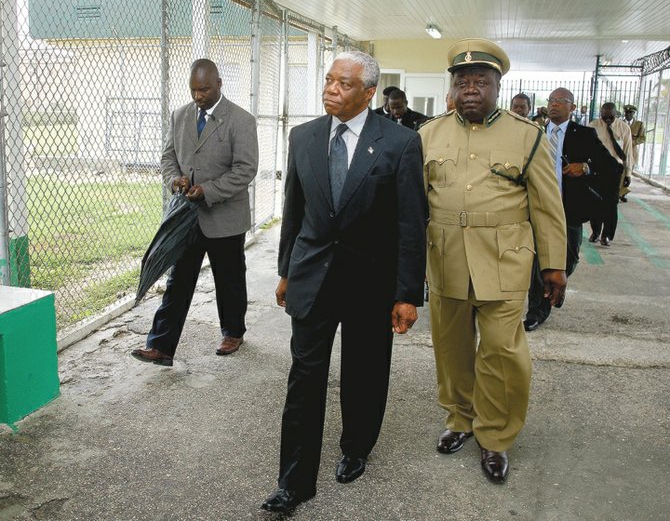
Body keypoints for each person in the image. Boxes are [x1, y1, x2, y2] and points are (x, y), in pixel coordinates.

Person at [261, 51, 426, 513]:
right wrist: (287, 272)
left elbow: (412, 224)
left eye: (344, 83)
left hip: (370, 283)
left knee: (364, 372)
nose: (331, 89)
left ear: (369, 93)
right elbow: (295, 209)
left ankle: (355, 447)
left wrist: (407, 294)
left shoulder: (399, 143)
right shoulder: (304, 137)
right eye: (329, 80)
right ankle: (293, 482)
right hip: (313, 275)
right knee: (304, 377)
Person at [419, 38, 567, 484]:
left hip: (504, 260)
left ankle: (495, 435)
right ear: (453, 87)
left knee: (502, 351)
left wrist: (553, 265)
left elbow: (547, 206)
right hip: (445, 258)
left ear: (497, 86)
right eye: (462, 81)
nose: (470, 89)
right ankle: (461, 419)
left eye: (480, 81)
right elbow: (412, 205)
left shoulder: (526, 136)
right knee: (452, 349)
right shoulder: (428, 134)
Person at [131, 59, 259, 366]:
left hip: (224, 217)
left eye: (203, 89)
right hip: (187, 217)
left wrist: (208, 190)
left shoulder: (240, 120)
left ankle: (233, 332)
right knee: (179, 280)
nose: (198, 95)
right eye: (193, 89)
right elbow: (167, 158)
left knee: (228, 278)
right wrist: (174, 180)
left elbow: (246, 169)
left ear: (219, 84)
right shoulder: (180, 116)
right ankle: (161, 347)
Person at [524, 88, 622, 331]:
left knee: (570, 258)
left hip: (569, 209)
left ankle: (558, 283)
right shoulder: (533, 132)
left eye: (561, 101)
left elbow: (612, 166)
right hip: (537, 207)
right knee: (538, 261)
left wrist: (586, 167)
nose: (554, 105)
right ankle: (538, 310)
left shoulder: (585, 135)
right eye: (551, 101)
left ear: (573, 107)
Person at [588, 103, 631, 246]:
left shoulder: (624, 128)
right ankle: (595, 231)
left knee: (611, 204)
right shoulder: (592, 126)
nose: (607, 120)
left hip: (614, 169)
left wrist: (628, 174)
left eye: (611, 117)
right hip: (596, 168)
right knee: (595, 201)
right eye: (604, 116)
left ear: (616, 114)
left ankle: (607, 235)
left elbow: (627, 152)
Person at [623, 104, 646, 181]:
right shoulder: (620, 123)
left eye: (630, 113)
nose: (628, 114)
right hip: (620, 151)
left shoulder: (639, 124)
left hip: (632, 152)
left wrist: (632, 143)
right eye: (626, 112)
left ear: (634, 113)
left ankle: (624, 190)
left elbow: (643, 138)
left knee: (628, 174)